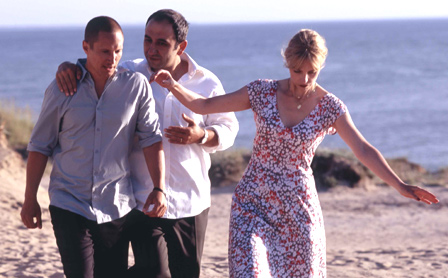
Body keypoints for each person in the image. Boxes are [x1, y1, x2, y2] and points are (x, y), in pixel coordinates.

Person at [150, 28, 439, 277]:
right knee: (248, 272)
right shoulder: (261, 92)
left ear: (321, 67)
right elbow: (204, 106)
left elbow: (362, 148)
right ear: (287, 63)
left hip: (298, 209)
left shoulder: (331, 107)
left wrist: (400, 185)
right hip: (253, 203)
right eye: (297, 70)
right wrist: (173, 85)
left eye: (312, 71)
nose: (303, 78)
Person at [55, 9, 239, 277]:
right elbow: (96, 65)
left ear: (181, 46)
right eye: (147, 39)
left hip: (190, 200)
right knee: (154, 271)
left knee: (186, 273)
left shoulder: (206, 82)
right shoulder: (127, 73)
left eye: (162, 43)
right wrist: (69, 66)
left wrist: (202, 136)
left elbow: (228, 128)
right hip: (143, 198)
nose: (152, 49)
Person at [20, 16, 166, 278]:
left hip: (116, 204)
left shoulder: (135, 87)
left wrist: (159, 188)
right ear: (86, 47)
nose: (112, 58)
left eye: (118, 51)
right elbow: (40, 146)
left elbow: (151, 138)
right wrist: (30, 199)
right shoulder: (61, 89)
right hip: (69, 202)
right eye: (105, 51)